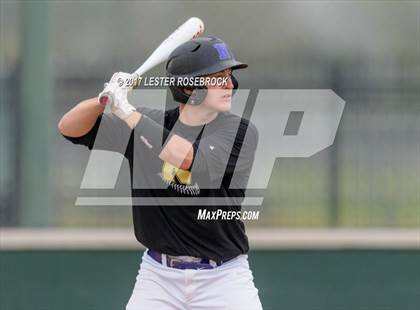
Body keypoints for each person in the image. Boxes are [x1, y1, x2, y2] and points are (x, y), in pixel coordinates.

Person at [58, 36, 262, 309]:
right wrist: (104, 99)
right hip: (158, 277)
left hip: (223, 277)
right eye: (218, 77)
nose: (229, 85)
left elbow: (187, 158)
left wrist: (127, 111)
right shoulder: (148, 123)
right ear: (190, 89)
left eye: (229, 76)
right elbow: (69, 127)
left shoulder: (240, 131)